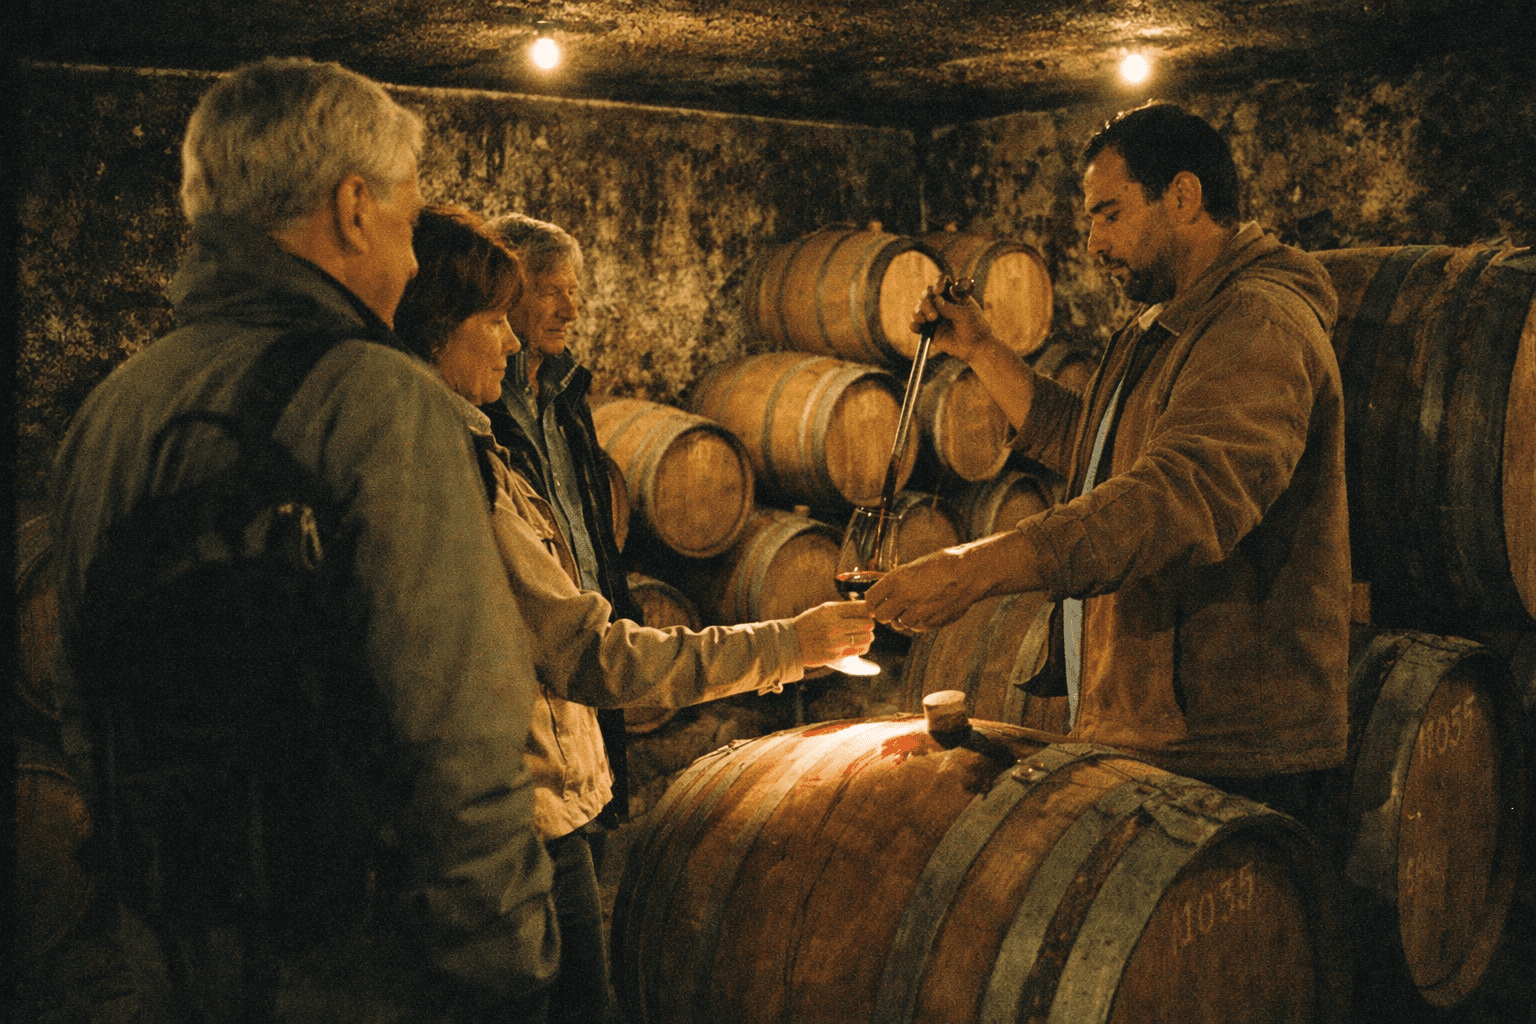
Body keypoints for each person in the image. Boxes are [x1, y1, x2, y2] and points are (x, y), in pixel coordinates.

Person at [49, 58, 558, 1021]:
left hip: (179, 947)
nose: (412, 263)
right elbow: (457, 731)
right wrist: (508, 970)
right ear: (354, 208)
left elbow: (82, 703)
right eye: (408, 223)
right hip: (362, 965)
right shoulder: (379, 399)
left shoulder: (112, 410)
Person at [394, 203, 875, 1024]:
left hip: (537, 794)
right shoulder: (451, 464)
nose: (513, 339)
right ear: (439, 327)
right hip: (523, 816)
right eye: (492, 319)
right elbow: (588, 652)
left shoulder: (473, 441)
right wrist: (789, 645)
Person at [865, 101, 1349, 812]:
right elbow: (1091, 445)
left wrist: (978, 568)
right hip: (1154, 720)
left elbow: (1183, 496)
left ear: (1183, 197)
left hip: (1228, 738)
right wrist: (978, 349)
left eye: (1109, 213)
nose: (1092, 242)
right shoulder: (1161, 324)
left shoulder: (1255, 322)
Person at [479, 213, 641, 835]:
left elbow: (589, 519)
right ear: (509, 294)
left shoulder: (567, 389)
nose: (570, 310)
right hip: (538, 647)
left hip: (593, 622)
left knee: (600, 808)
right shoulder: (482, 403)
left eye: (574, 291)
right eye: (551, 290)